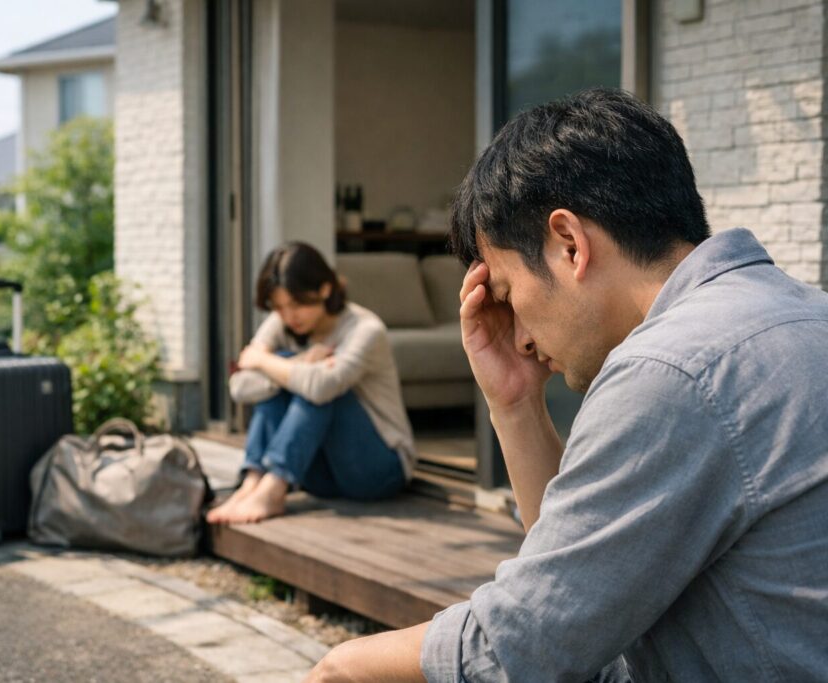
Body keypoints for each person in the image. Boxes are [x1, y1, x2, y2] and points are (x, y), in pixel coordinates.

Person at [305, 88, 828, 682]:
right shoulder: (800, 314)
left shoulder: (670, 371)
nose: (520, 336)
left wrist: (339, 666)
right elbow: (580, 599)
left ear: (569, 244)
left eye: (505, 293)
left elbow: (527, 644)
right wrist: (516, 403)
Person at [206, 241, 416, 525]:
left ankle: (272, 488)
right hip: (319, 474)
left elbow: (320, 388)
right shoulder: (281, 323)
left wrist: (271, 365)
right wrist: (299, 363)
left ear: (324, 289)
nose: (288, 316)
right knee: (294, 371)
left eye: (296, 304)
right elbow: (240, 387)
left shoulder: (366, 330)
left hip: (377, 470)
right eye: (278, 307)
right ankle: (252, 480)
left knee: (318, 386)